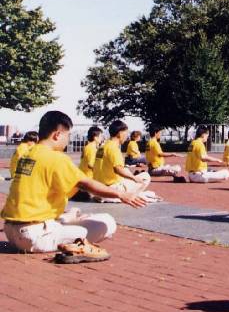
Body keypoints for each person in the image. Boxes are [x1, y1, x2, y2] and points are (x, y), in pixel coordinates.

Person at [2, 111, 147, 261]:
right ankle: (76, 246)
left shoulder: (27, 154)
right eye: (68, 135)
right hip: (32, 237)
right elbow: (86, 184)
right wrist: (121, 194)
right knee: (107, 222)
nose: (68, 140)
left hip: (11, 231)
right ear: (57, 135)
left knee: (73, 214)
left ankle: (63, 224)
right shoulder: (56, 158)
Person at [94, 120, 151, 196]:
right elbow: (118, 169)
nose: (127, 136)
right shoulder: (113, 148)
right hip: (111, 189)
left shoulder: (102, 147)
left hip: (98, 188)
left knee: (126, 170)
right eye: (126, 133)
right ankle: (132, 196)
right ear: (120, 133)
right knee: (146, 176)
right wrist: (134, 178)